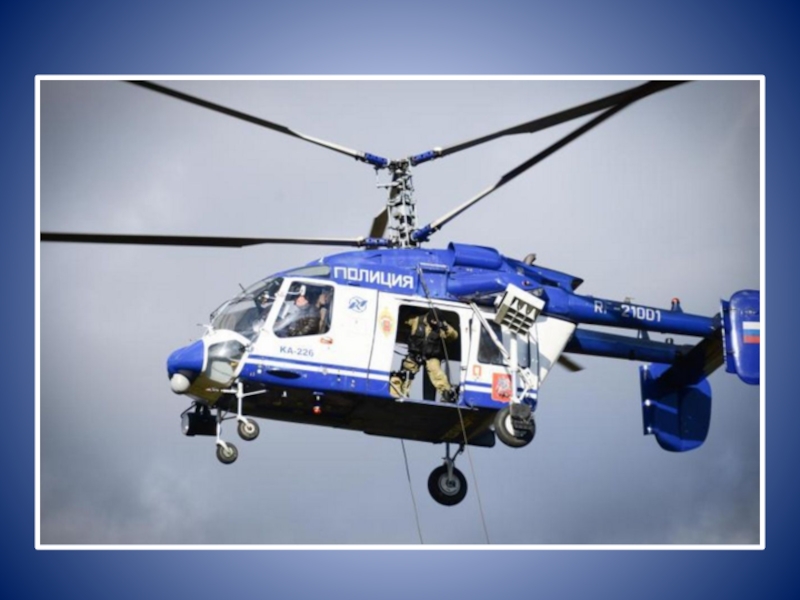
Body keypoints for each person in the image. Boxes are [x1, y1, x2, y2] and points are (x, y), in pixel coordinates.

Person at [390, 310, 459, 402]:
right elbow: (401, 319)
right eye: (433, 320)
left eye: (436, 320)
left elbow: (454, 336)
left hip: (432, 356)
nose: (434, 322)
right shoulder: (416, 320)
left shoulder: (441, 326)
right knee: (405, 373)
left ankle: (448, 395)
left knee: (438, 375)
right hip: (415, 354)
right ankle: (398, 393)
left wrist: (445, 327)